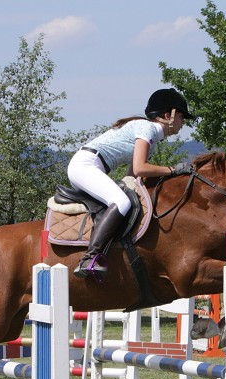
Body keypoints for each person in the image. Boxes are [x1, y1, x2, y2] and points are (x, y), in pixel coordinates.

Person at [68, 88, 195, 278]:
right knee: (121, 202)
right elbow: (140, 168)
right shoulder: (147, 128)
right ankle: (91, 257)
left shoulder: (150, 138)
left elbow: (132, 177)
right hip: (85, 165)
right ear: (168, 115)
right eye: (182, 117)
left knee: (128, 198)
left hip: (92, 166)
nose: (183, 122)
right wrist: (173, 170)